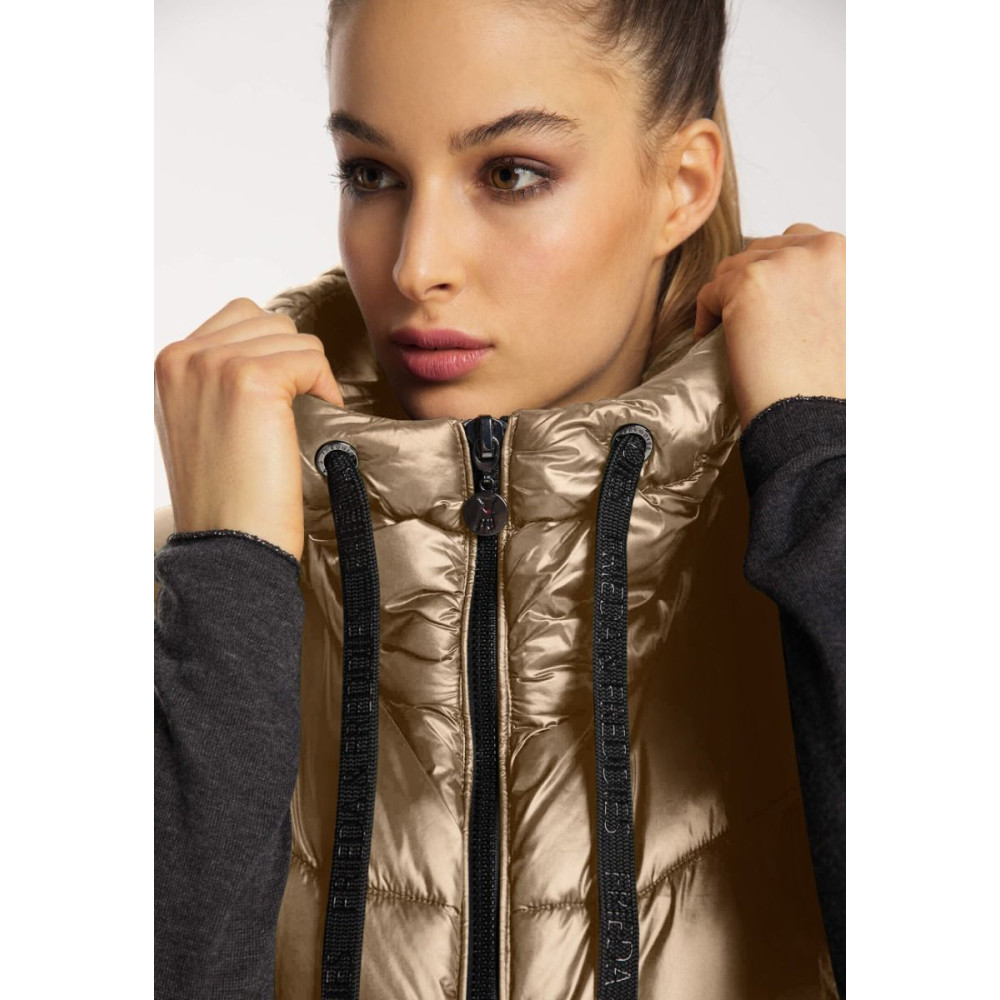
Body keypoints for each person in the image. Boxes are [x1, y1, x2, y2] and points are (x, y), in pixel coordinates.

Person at [154, 1, 845, 998]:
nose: (415, 266)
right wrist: (229, 576)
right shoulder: (190, 595)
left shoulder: (829, 541)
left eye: (512, 174)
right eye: (371, 173)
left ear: (682, 185)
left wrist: (824, 472)